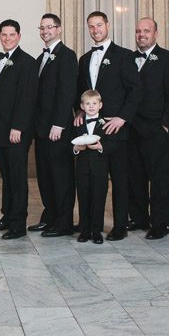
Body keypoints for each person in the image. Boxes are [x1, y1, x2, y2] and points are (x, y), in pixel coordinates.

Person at [74, 11, 142, 241]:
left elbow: (136, 90)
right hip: (91, 131)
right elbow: (82, 93)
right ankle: (92, 226)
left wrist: (122, 118)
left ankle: (120, 226)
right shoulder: (84, 59)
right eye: (91, 26)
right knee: (94, 180)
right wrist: (80, 111)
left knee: (120, 180)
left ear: (108, 25)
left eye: (99, 25)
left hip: (116, 129)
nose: (95, 30)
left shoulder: (123, 55)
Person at [127, 18, 169, 240]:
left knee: (159, 180)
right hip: (132, 129)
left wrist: (165, 126)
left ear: (156, 33)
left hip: (156, 129)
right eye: (138, 31)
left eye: (146, 31)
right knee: (135, 177)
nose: (142, 34)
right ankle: (139, 217)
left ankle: (160, 223)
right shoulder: (129, 59)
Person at [0, 20, 37, 240]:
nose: (7, 38)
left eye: (11, 35)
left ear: (19, 36)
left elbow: (27, 98)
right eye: (3, 35)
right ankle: (7, 216)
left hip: (16, 132)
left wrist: (18, 127)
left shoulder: (28, 62)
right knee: (6, 176)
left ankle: (18, 224)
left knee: (17, 177)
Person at [31, 13, 78, 237]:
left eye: (49, 27)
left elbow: (67, 92)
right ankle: (50, 216)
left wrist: (59, 124)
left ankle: (64, 222)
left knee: (61, 176)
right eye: (42, 28)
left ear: (59, 29)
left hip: (57, 128)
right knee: (45, 175)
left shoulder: (67, 55)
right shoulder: (41, 57)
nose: (45, 31)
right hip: (41, 128)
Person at [73, 90, 125, 244]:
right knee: (83, 199)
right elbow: (72, 141)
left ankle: (96, 231)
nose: (91, 107)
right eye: (87, 104)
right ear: (82, 106)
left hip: (100, 169)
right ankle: (84, 231)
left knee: (98, 199)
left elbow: (112, 144)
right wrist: (76, 148)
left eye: (94, 103)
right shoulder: (78, 122)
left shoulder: (106, 123)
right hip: (82, 169)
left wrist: (101, 147)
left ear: (100, 105)